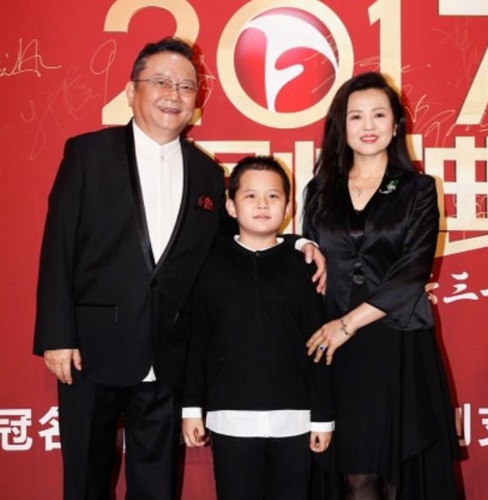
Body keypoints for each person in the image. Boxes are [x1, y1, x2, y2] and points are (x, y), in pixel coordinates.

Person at [33, 38, 325, 500]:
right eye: (162, 82)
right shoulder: (88, 154)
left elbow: (237, 239)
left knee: (157, 484)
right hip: (91, 348)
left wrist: (298, 242)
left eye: (187, 86)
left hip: (169, 351)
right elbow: (58, 245)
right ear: (132, 91)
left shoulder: (206, 172)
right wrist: (56, 336)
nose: (174, 94)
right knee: (87, 478)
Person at [303, 72, 461, 500]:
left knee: (398, 476)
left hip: (396, 339)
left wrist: (347, 325)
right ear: (340, 126)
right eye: (356, 116)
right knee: (355, 474)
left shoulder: (418, 189)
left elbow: (412, 273)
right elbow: (308, 262)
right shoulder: (319, 191)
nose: (368, 125)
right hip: (336, 349)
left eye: (378, 114)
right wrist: (301, 245)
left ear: (396, 124)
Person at [181, 156, 335, 500]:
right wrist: (191, 408)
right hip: (230, 417)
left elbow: (319, 343)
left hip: (295, 418)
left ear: (288, 207)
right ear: (231, 206)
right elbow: (198, 341)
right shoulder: (208, 264)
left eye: (273, 196)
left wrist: (322, 418)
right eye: (250, 196)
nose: (262, 204)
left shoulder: (305, 265)